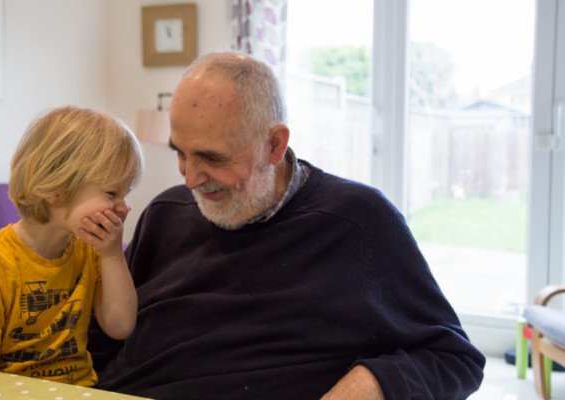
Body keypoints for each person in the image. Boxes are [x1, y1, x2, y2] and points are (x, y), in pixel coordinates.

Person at [88, 51, 485, 399]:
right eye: (181, 153)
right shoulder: (165, 212)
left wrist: (375, 381)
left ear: (275, 145)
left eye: (212, 158)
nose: (190, 178)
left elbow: (454, 359)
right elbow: (105, 340)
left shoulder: (359, 222)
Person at [0, 106, 143, 387]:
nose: (124, 207)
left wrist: (112, 254)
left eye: (126, 195)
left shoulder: (90, 251)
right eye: (112, 193)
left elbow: (121, 327)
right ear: (56, 189)